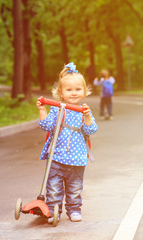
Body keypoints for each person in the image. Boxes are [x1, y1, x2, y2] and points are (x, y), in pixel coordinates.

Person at [36, 62, 98, 223]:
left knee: (75, 189)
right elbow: (47, 125)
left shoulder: (83, 111)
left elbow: (91, 130)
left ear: (84, 91)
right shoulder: (57, 109)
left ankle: (74, 210)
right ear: (60, 92)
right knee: (54, 188)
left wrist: (87, 117)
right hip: (57, 158)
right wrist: (43, 110)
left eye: (78, 89)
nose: (73, 93)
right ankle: (52, 211)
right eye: (69, 90)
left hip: (77, 160)